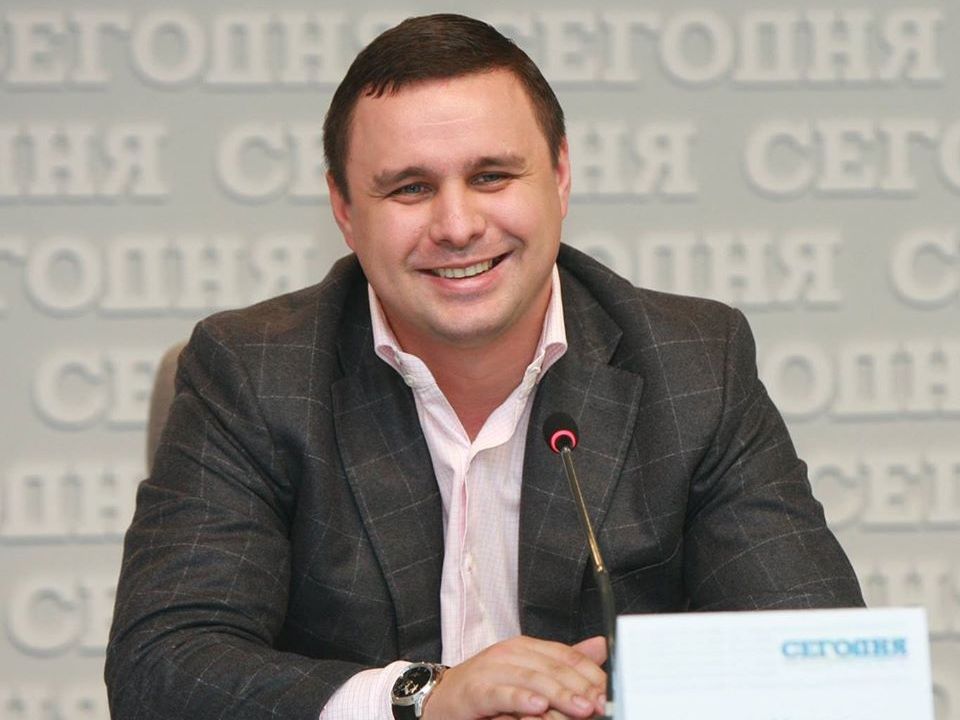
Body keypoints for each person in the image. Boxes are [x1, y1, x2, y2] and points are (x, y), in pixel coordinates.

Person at [105, 13, 864, 720]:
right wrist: (422, 698)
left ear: (559, 177)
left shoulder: (693, 363)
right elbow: (163, 667)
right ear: (343, 209)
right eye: (410, 188)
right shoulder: (254, 372)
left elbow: (818, 662)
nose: (458, 225)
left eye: (492, 176)